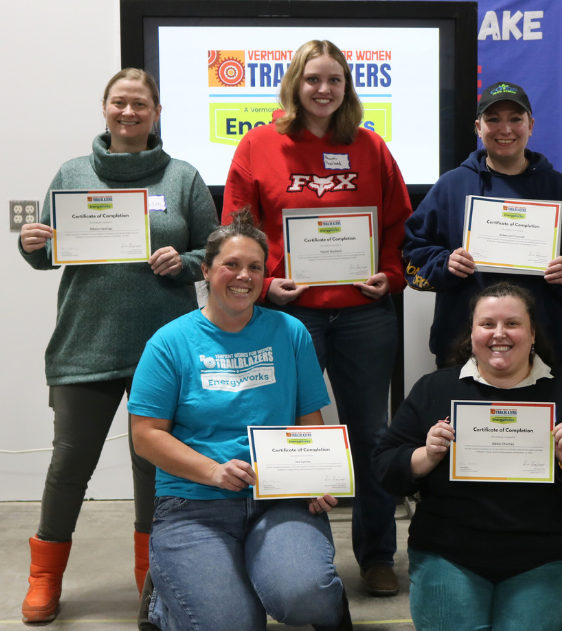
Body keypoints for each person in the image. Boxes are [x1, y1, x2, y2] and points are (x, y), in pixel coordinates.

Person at [17, 68, 219, 623]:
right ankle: (44, 577)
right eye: (119, 103)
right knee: (69, 466)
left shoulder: (182, 176)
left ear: (156, 113)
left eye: (140, 105)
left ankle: (150, 578)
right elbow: (45, 252)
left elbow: (213, 249)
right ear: (104, 109)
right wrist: (33, 243)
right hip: (85, 342)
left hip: (164, 348)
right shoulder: (73, 172)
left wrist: (188, 263)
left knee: (152, 469)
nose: (129, 113)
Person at [221, 39, 411, 597]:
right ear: (294, 85)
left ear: (347, 86)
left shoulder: (371, 146)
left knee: (369, 433)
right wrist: (266, 280)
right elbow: (238, 230)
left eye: (334, 80)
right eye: (312, 79)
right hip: (290, 315)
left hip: (364, 316)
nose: (323, 89)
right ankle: (289, 548)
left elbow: (400, 223)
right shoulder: (258, 146)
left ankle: (376, 556)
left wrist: (391, 274)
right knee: (286, 434)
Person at [128, 211, 351, 630]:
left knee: (305, 598)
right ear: (206, 270)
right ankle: (166, 596)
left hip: (280, 498)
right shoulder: (169, 342)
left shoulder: (291, 332)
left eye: (254, 267)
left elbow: (310, 421)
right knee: (232, 624)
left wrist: (318, 476)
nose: (242, 276)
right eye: (231, 264)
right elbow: (146, 436)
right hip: (193, 503)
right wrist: (213, 471)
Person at [372, 282, 562, 630]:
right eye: (487, 324)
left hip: (546, 556)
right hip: (448, 552)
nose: (499, 334)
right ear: (472, 333)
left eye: (512, 323)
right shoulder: (435, 390)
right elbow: (384, 467)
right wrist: (425, 455)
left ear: (533, 333)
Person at [403, 81, 562, 368]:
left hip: (546, 348)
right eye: (493, 119)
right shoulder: (451, 186)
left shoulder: (558, 188)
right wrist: (445, 264)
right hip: (463, 348)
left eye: (515, 119)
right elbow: (412, 254)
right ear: (478, 127)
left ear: (531, 125)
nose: (504, 129)